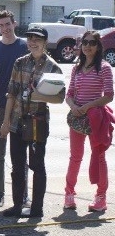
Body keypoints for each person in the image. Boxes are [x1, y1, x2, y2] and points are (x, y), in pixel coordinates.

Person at [1, 26, 64, 218]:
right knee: (17, 166)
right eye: (30, 38)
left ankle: (37, 208)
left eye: (37, 39)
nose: (33, 42)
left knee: (37, 166)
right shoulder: (20, 63)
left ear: (45, 42)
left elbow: (60, 98)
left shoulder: (53, 66)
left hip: (38, 121)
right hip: (17, 120)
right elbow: (11, 94)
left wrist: (40, 96)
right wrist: (5, 122)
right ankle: (17, 205)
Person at [64, 31, 114, 212]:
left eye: (92, 43)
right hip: (77, 117)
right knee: (75, 157)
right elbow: (69, 94)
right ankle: (69, 194)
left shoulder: (105, 67)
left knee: (98, 156)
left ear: (98, 46)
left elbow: (109, 95)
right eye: (84, 42)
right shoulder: (76, 67)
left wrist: (86, 107)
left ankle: (101, 197)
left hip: (96, 118)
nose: (87, 45)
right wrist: (73, 106)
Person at [0, 10, 29, 208]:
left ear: (15, 23)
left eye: (8, 24)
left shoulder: (25, 46)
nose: (5, 28)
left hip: (21, 108)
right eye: (1, 25)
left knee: (20, 155)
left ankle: (23, 194)